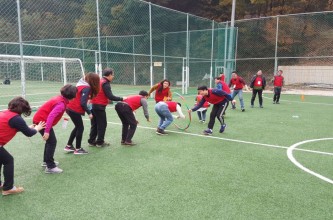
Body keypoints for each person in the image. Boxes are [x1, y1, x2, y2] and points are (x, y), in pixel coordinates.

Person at [0, 97, 45, 195]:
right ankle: (8, 188)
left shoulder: (6, 112)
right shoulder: (16, 118)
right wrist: (37, 128)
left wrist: (26, 128)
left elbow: (10, 125)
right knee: (8, 160)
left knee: (1, 159)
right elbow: (29, 133)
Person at [33, 84, 77, 174]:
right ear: (72, 96)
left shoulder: (60, 99)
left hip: (40, 119)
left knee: (50, 141)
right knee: (52, 141)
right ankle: (50, 166)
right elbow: (51, 117)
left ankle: (46, 161)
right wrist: (47, 131)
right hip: (42, 122)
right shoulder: (60, 104)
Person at [88, 68, 126, 147]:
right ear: (109, 75)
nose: (113, 76)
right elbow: (110, 96)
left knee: (94, 124)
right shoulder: (105, 83)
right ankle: (100, 142)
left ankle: (91, 141)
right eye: (112, 75)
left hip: (93, 105)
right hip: (99, 106)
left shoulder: (100, 81)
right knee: (102, 124)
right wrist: (122, 99)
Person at [64, 73, 100, 155]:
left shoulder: (80, 84)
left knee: (77, 127)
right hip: (74, 109)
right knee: (80, 127)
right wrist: (89, 113)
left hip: (69, 108)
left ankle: (69, 146)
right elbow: (83, 103)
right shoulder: (86, 88)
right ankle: (78, 149)